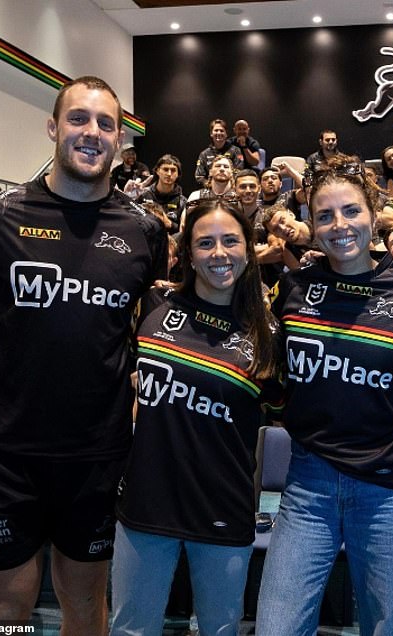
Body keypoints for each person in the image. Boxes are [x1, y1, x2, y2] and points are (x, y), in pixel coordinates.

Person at [0, 76, 168, 633]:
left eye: (105, 123)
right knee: (1, 612)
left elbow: (155, 344)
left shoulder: (146, 231)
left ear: (120, 139)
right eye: (78, 118)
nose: (91, 133)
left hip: (96, 458)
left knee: (85, 608)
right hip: (4, 456)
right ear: (53, 127)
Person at [256, 156, 393, 636]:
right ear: (310, 224)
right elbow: (273, 375)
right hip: (308, 485)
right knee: (276, 628)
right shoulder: (295, 286)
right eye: (325, 215)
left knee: (386, 629)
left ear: (374, 214)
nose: (340, 226)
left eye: (351, 211)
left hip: (389, 492)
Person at [110, 200, 281, 636]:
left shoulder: (268, 335)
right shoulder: (153, 304)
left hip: (222, 506)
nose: (218, 253)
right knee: (131, 630)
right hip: (147, 501)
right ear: (187, 252)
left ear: (248, 249)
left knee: (219, 630)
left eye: (230, 241)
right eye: (205, 243)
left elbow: (289, 413)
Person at [136, 153, 186, 234]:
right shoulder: (144, 195)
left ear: (178, 174)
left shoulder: (182, 202)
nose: (169, 174)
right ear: (157, 171)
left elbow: (184, 233)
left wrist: (169, 224)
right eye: (165, 169)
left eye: (173, 170)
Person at [194, 118, 243, 188]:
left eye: (222, 131)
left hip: (231, 188)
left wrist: (229, 185)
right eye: (216, 130)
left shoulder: (236, 151)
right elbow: (199, 176)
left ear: (226, 134)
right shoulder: (204, 154)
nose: (219, 133)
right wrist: (210, 185)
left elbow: (239, 171)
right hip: (210, 188)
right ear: (211, 133)